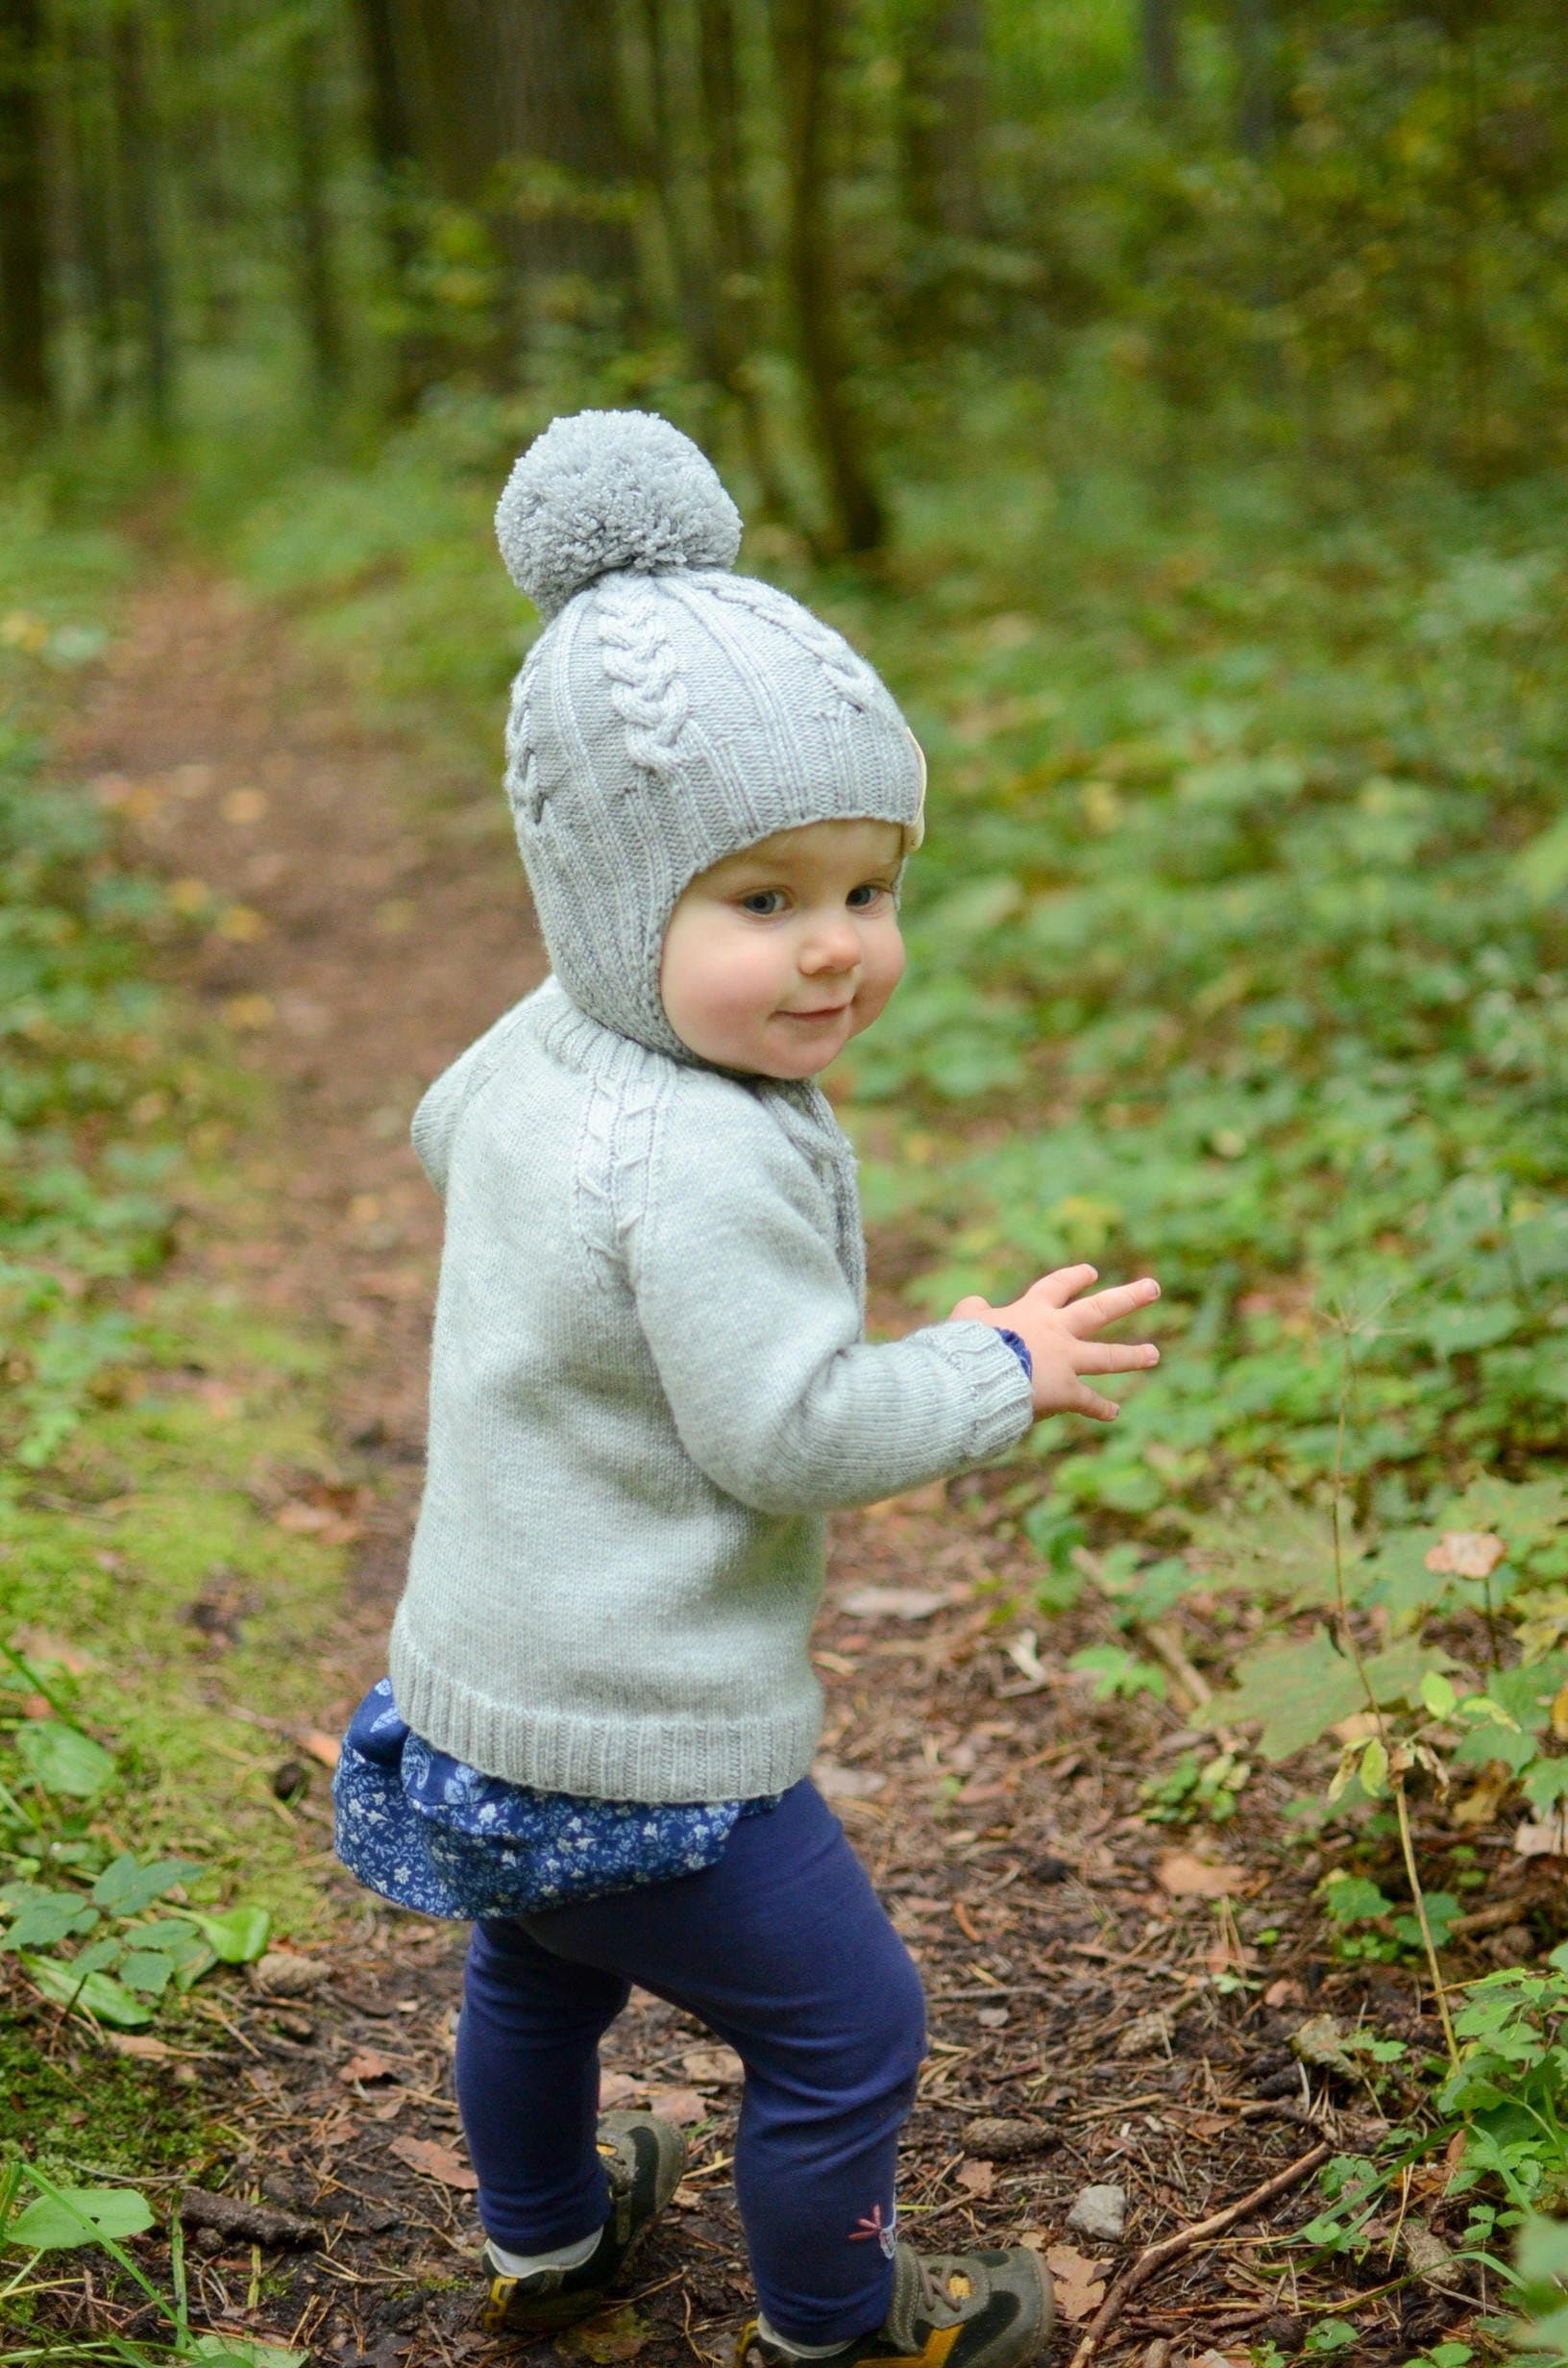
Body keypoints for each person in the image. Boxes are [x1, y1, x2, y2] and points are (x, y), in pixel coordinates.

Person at [333, 409, 1162, 2368]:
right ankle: (834, 2314)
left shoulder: (551, 1039)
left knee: (536, 1965)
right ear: (622, 904)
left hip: (488, 1673)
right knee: (846, 2023)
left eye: (868, 888)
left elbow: (450, 1128)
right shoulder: (699, 1157)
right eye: (763, 899)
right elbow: (779, 1429)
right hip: (652, 1728)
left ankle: (544, 2230)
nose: (834, 954)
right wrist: (991, 1367)